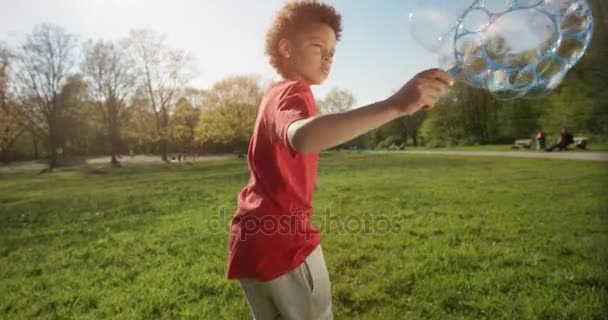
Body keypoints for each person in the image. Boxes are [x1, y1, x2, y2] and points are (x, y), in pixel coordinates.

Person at [225, 1, 453, 319]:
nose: (328, 57)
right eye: (318, 46)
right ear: (286, 48)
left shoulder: (273, 94)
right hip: (283, 242)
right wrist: (396, 105)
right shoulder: (293, 92)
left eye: (332, 51)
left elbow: (282, 155)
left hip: (252, 238)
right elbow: (303, 137)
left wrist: (304, 179)